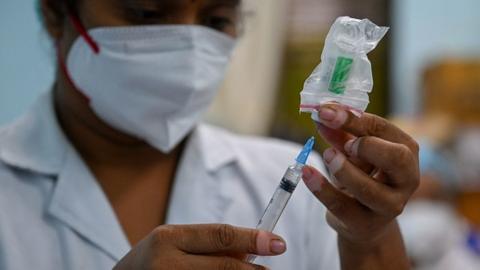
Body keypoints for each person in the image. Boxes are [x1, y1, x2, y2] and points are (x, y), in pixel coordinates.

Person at [0, 0, 420, 269]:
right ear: (57, 12)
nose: (188, 43)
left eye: (216, 19)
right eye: (146, 12)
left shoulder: (311, 186)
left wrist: (371, 237)